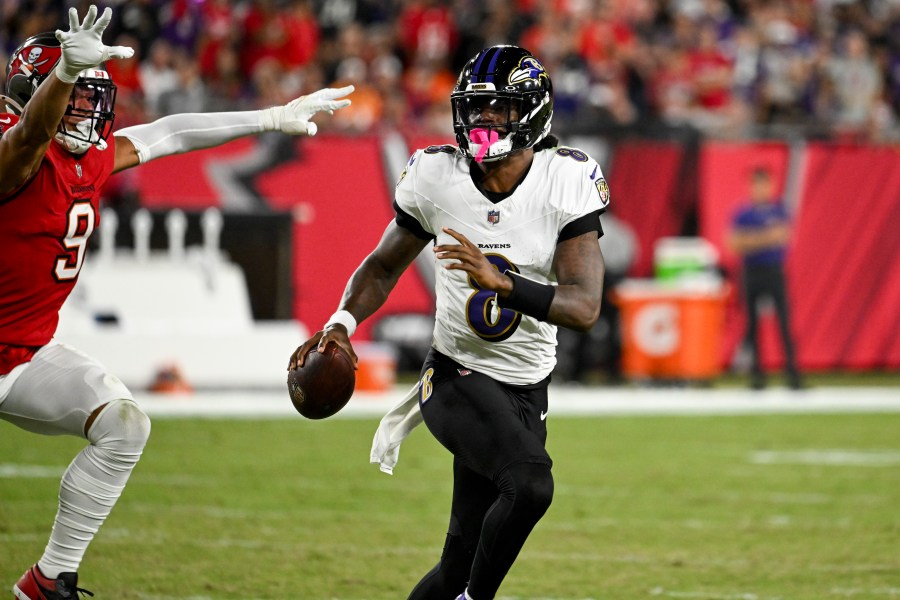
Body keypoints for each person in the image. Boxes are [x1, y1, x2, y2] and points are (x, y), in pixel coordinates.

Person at [0, 6, 352, 599]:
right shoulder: (16, 150)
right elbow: (28, 139)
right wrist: (62, 77)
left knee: (124, 424)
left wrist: (269, 117)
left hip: (25, 352)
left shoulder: (88, 154)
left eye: (92, 97)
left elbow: (170, 133)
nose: (88, 112)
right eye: (75, 96)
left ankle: (49, 579)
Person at [289, 45, 609, 600]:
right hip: (456, 375)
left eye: (497, 110)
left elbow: (583, 307)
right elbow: (383, 265)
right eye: (474, 108)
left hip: (527, 388)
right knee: (530, 484)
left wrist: (505, 283)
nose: (480, 121)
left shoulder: (565, 180)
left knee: (455, 568)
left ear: (531, 113)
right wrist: (341, 321)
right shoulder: (437, 175)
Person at [728, 165, 803, 390]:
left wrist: (751, 240)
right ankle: (757, 375)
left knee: (784, 322)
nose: (760, 189)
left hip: (773, 270)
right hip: (751, 272)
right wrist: (765, 238)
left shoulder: (779, 211)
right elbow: (734, 244)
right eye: (756, 184)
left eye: (764, 184)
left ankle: (792, 374)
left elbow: (783, 237)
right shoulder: (742, 213)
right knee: (751, 325)